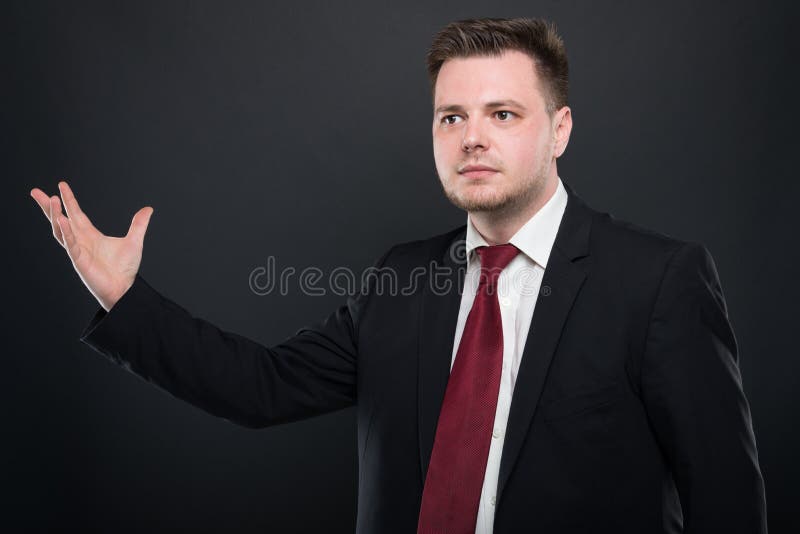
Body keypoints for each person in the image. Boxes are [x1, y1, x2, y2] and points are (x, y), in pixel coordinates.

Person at [30, 17, 767, 534]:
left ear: (560, 131)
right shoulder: (401, 280)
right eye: (451, 117)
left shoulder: (658, 281)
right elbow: (259, 387)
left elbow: (727, 501)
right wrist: (123, 296)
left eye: (503, 114)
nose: (471, 138)